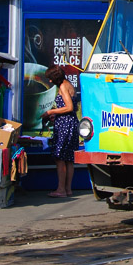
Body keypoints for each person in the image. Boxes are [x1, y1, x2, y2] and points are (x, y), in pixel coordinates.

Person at [40, 65, 78, 198]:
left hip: (65, 125)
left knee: (60, 157)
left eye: (50, 79)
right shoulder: (68, 84)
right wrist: (55, 115)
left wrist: (51, 111)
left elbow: (69, 107)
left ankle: (61, 189)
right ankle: (68, 189)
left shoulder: (62, 86)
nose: (50, 81)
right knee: (68, 159)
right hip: (70, 123)